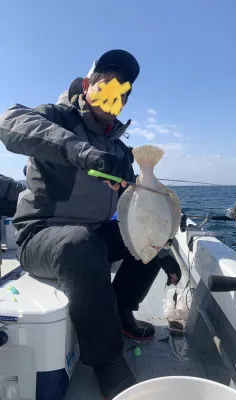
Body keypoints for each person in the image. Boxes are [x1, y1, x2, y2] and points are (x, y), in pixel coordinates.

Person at [0, 49, 182, 399]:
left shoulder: (121, 151)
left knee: (148, 243)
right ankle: (106, 359)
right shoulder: (56, 117)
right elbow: (9, 124)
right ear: (88, 85)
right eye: (106, 85)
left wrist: (161, 247)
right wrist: (84, 153)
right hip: (40, 234)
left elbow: (135, 205)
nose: (115, 95)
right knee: (80, 245)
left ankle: (121, 310)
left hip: (94, 232)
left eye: (123, 93)